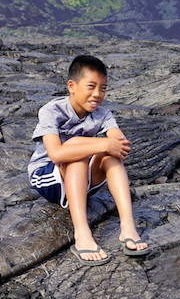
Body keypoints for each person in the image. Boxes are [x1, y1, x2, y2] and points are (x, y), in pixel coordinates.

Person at [27, 54, 148, 266]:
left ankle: (127, 226)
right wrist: (103, 144)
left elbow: (120, 145)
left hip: (82, 182)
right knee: (75, 148)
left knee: (110, 156)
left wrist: (110, 145)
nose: (97, 94)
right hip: (48, 178)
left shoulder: (102, 114)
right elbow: (56, 154)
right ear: (72, 86)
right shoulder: (51, 111)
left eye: (103, 88)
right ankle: (82, 233)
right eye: (91, 86)